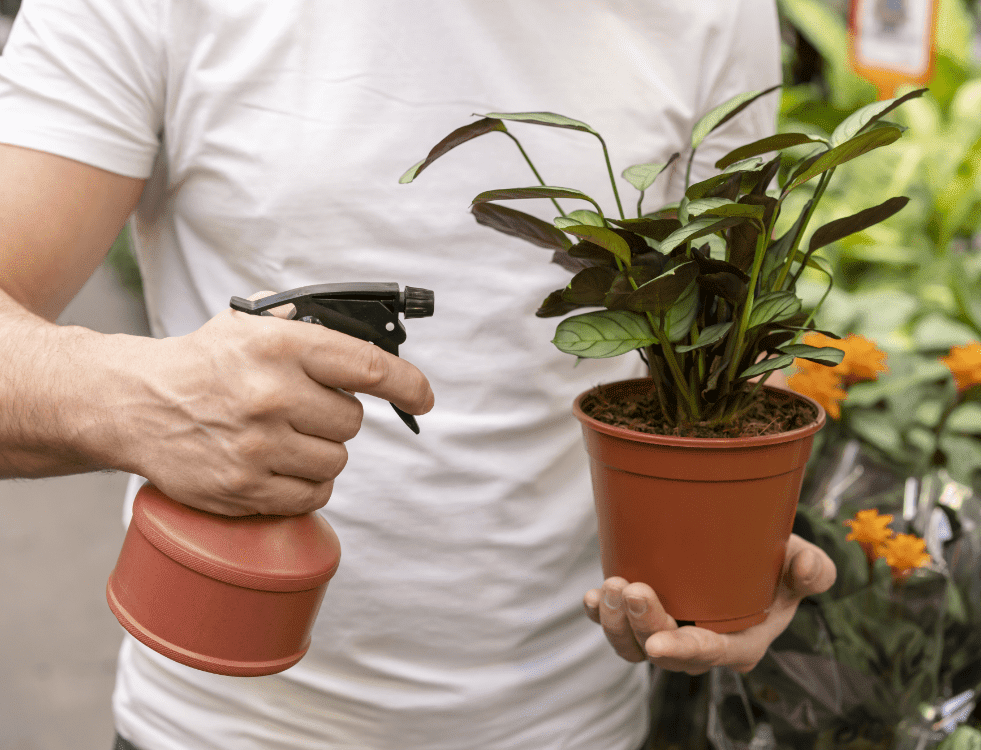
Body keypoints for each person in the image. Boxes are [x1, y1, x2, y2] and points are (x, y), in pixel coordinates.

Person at [0, 1, 836, 748]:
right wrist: (139, 399)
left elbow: (718, 351)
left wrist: (730, 560)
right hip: (220, 721)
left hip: (577, 722)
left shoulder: (716, 14)